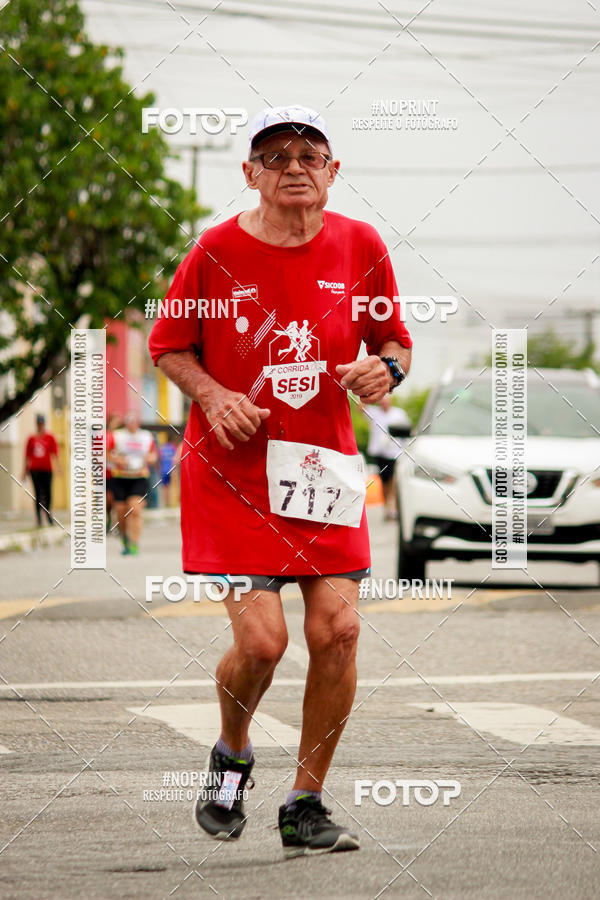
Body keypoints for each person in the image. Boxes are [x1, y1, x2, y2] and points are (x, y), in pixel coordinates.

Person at [148, 105, 412, 857]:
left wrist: (386, 370)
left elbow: (395, 341)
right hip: (233, 476)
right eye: (275, 156)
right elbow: (169, 345)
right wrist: (213, 396)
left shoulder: (361, 246)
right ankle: (231, 757)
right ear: (250, 174)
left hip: (320, 470)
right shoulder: (214, 251)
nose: (293, 166)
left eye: (309, 154)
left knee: (339, 632)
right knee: (262, 643)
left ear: (332, 171)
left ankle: (305, 803)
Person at [106, 411, 158, 555]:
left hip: (139, 477)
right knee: (121, 513)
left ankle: (134, 543)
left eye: (134, 421)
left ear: (138, 422)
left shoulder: (146, 436)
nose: (131, 424)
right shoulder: (117, 436)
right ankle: (125, 539)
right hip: (120, 477)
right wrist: (118, 460)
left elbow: (153, 455)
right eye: (129, 421)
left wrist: (149, 458)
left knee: (135, 510)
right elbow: (104, 453)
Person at [364, 395, 411, 520]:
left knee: (394, 479)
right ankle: (387, 507)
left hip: (395, 452)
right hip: (380, 452)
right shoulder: (374, 412)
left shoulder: (399, 413)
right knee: (384, 481)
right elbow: (361, 406)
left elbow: (407, 430)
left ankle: (393, 507)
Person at [22, 413, 61, 526]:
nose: (40, 425)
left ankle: (48, 514)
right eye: (38, 423)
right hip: (35, 470)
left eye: (42, 423)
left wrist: (58, 467)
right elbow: (27, 455)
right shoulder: (31, 438)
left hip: (47, 469)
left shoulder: (50, 437)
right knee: (38, 493)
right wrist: (24, 470)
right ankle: (39, 518)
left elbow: (55, 453)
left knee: (48, 493)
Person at [105, 413, 122, 533]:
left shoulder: (121, 436)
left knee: (117, 500)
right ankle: (108, 519)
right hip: (107, 472)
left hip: (119, 472)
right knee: (108, 499)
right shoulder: (105, 436)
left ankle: (116, 524)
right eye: (115, 421)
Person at [158, 435, 178, 507]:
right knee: (173, 487)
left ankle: (166, 503)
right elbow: (175, 459)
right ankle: (172, 503)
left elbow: (159, 459)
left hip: (163, 470)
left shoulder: (162, 448)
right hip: (171, 469)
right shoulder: (173, 447)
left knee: (165, 487)